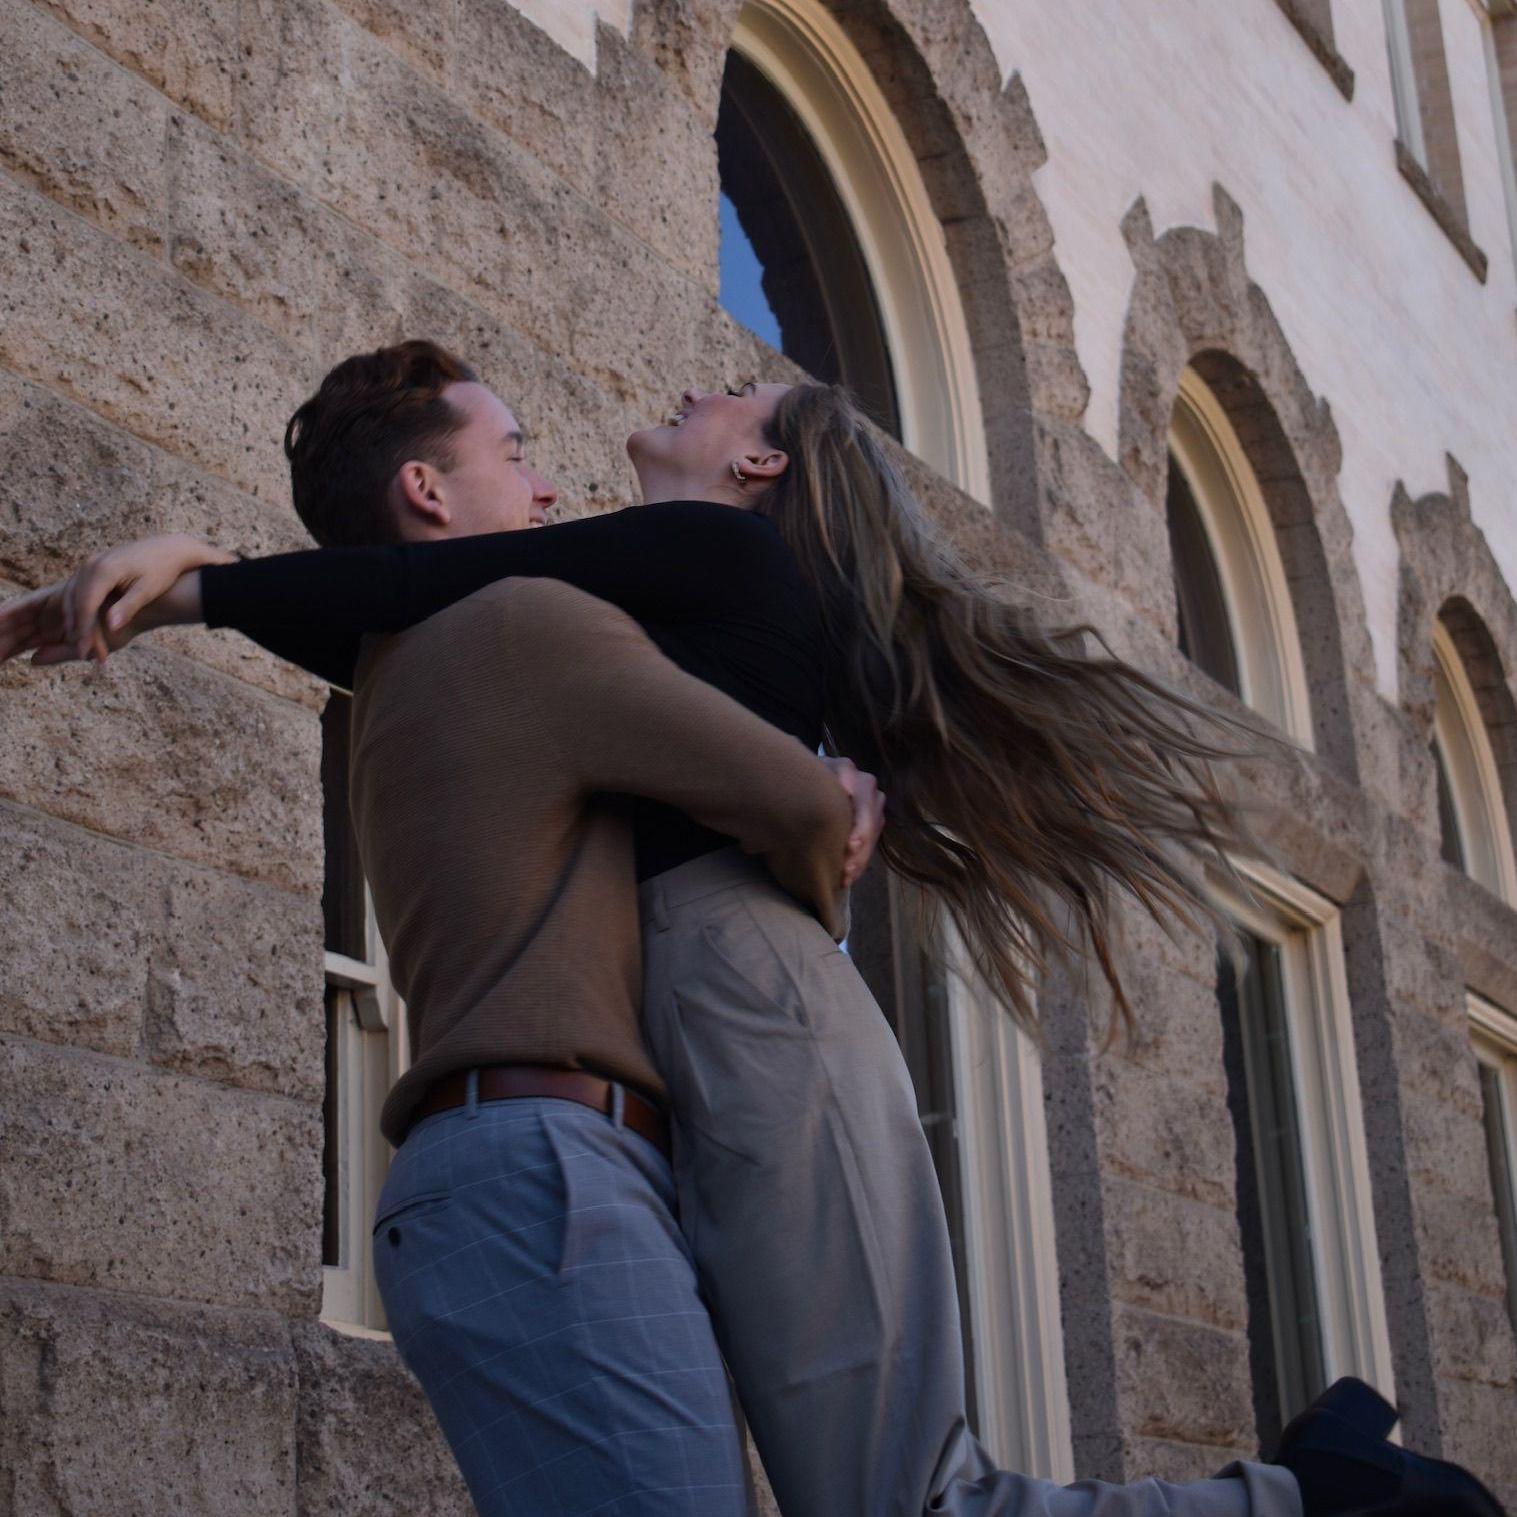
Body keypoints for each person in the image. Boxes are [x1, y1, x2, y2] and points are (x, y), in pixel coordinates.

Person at [4, 341, 1503, 1517]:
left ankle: (1312, 1497)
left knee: (899, 1501)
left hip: (744, 993)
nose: (680, 393)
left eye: (730, 392)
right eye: (514, 454)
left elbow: (425, 580)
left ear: (760, 462)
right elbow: (418, 593)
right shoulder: (563, 622)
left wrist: (201, 585)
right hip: (684, 1036)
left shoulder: (702, 563)